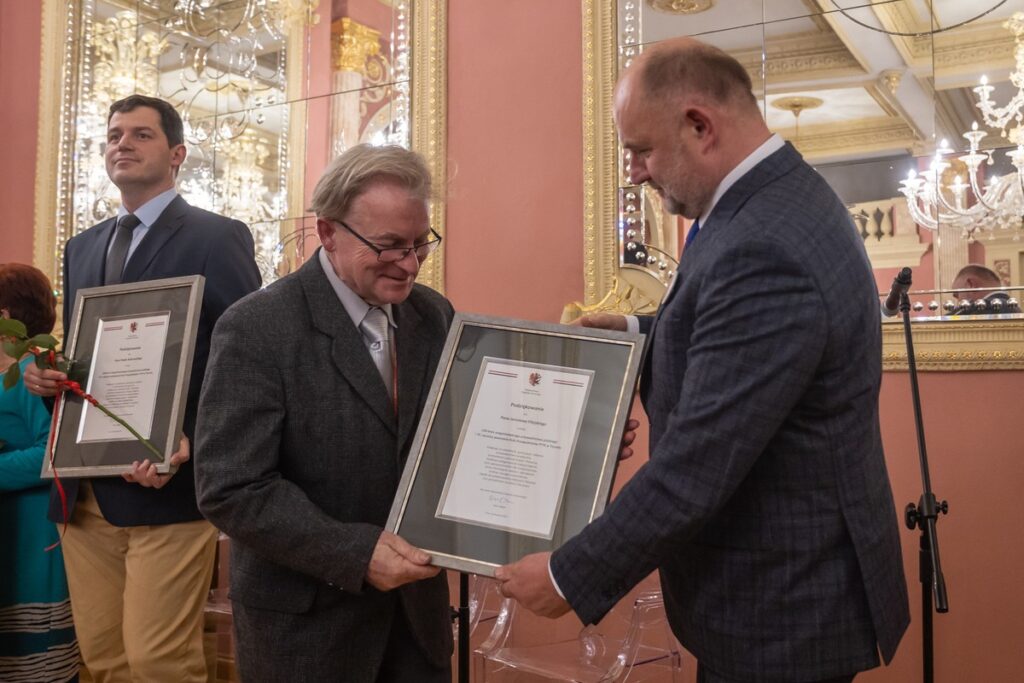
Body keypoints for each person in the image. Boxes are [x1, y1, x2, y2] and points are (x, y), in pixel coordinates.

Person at [496, 38, 910, 683]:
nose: (633, 171)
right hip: (784, 593)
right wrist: (638, 330)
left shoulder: (764, 243)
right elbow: (737, 333)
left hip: (782, 612)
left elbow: (696, 468)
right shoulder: (768, 203)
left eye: (640, 149)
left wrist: (567, 574)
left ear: (699, 125)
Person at [23, 94, 261, 682]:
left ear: (177, 154)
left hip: (168, 485)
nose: (121, 144)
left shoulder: (216, 236)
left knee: (160, 662)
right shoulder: (82, 247)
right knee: (104, 660)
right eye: (113, 135)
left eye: (140, 135)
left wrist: (194, 441)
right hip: (84, 495)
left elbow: (250, 361)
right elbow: (89, 358)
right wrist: (47, 378)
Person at [194, 143, 454, 681]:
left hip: (417, 628)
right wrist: (356, 553)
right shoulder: (257, 327)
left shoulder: (434, 315)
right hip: (307, 636)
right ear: (329, 232)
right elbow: (231, 487)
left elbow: (458, 435)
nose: (410, 264)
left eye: (419, 243)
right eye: (389, 245)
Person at [0, 263, 79, 682]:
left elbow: (50, 452)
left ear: (6, 316)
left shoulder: (36, 371)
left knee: (33, 665)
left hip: (33, 530)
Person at [951, 263, 1020, 314]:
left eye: (957, 294)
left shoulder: (985, 308)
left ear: (971, 285)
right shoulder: (1015, 308)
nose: (958, 302)